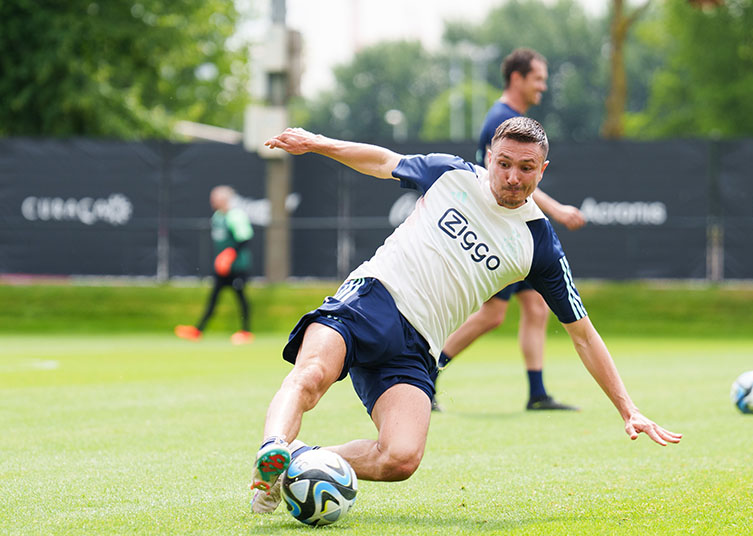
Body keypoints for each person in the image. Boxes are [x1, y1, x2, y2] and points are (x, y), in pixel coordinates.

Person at [249, 117, 681, 514]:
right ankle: (274, 447)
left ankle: (297, 462)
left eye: (526, 168)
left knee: (400, 458)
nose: (513, 177)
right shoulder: (450, 173)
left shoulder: (539, 245)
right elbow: (382, 161)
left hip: (417, 347)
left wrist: (628, 409)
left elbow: (583, 334)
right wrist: (317, 143)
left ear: (543, 170)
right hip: (372, 297)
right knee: (311, 376)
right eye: (504, 163)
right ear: (489, 157)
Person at [432, 48, 587, 413]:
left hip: (516, 229)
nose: (543, 87)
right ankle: (425, 372)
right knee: (492, 314)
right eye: (538, 79)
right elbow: (508, 182)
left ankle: (538, 394)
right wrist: (558, 210)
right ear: (517, 78)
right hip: (501, 230)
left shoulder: (511, 120)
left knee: (536, 307)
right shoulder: (503, 121)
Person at [175, 185, 255, 345]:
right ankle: (198, 330)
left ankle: (246, 332)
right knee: (213, 298)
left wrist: (229, 255)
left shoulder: (235, 216)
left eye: (215, 198)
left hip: (237, 267)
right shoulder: (217, 217)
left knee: (240, 297)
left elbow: (245, 238)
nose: (212, 201)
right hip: (222, 268)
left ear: (225, 199)